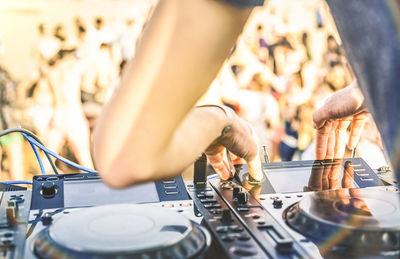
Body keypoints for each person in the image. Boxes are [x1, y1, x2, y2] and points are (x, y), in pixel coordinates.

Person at [93, 0, 265, 188]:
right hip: (184, 139)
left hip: (185, 139)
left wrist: (224, 123)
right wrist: (222, 123)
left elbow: (123, 157)